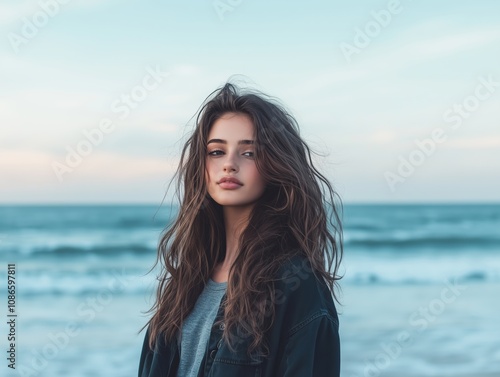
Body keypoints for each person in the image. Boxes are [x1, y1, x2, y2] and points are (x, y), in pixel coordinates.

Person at [138, 81, 343, 377]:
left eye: (248, 153)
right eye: (217, 151)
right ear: (202, 164)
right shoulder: (185, 282)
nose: (229, 164)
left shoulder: (296, 285)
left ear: (275, 164)